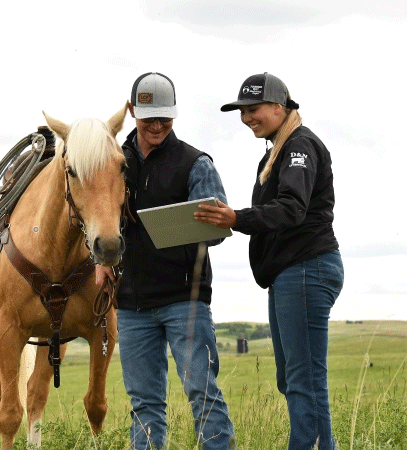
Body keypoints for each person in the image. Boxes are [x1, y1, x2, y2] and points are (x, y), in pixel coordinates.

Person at [195, 72, 344, 450]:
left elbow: (292, 209)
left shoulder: (299, 146)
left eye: (254, 109)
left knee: (303, 379)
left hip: (307, 268)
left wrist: (237, 218)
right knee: (294, 378)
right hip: (292, 272)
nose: (247, 117)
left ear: (280, 107)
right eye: (242, 111)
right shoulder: (279, 147)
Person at [96, 72, 236, 450]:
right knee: (144, 404)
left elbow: (219, 229)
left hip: (183, 301)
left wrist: (195, 225)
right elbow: (93, 217)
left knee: (202, 393)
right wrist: (100, 260)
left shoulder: (196, 163)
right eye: (149, 117)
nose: (157, 126)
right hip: (131, 304)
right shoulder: (114, 163)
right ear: (132, 112)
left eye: (165, 118)